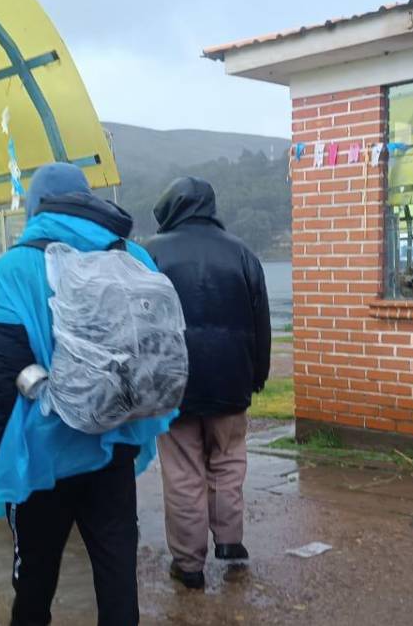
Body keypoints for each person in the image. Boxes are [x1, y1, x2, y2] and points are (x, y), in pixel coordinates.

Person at [0, 163, 177, 626]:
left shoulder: (17, 266)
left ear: (36, 205)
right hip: (114, 444)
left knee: (36, 575)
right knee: (117, 568)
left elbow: (1, 372)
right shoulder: (134, 255)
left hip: (43, 452)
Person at [144, 177, 271, 590]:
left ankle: (189, 564)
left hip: (173, 383)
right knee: (229, 460)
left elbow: (139, 323)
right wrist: (258, 375)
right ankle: (231, 542)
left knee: (182, 470)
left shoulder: (150, 253)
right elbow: (261, 324)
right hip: (232, 379)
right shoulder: (243, 254)